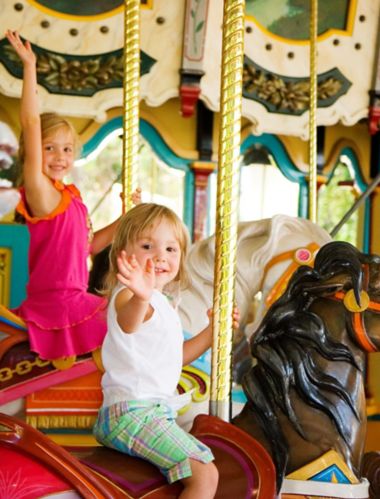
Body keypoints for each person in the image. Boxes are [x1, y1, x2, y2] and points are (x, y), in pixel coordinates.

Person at [4, 30, 137, 364]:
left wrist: (126, 217)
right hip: (56, 303)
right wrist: (30, 67)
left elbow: (89, 247)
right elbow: (31, 121)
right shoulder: (39, 191)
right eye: (49, 148)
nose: (59, 156)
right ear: (34, 153)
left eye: (66, 149)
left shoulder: (71, 197)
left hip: (75, 297)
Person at [93, 203, 240, 498]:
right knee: (204, 474)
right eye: (148, 245)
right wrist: (140, 296)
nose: (161, 256)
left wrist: (212, 333)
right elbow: (129, 322)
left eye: (171, 249)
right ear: (124, 254)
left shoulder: (161, 302)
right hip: (133, 413)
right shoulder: (128, 296)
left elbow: (176, 358)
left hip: (151, 412)